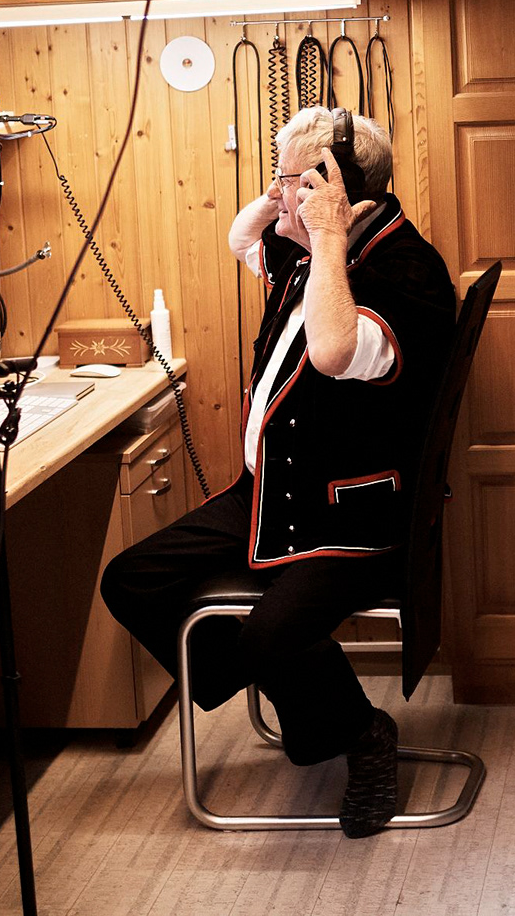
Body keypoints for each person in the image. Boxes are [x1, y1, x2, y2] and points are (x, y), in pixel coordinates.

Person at [100, 107, 455, 837]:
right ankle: (299, 688)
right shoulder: (312, 252)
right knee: (132, 581)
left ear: (336, 186)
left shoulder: (403, 271)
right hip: (269, 497)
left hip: (351, 517)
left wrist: (323, 234)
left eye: (291, 179)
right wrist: (284, 202)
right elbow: (241, 239)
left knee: (269, 638)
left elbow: (333, 351)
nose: (278, 192)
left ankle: (360, 732)